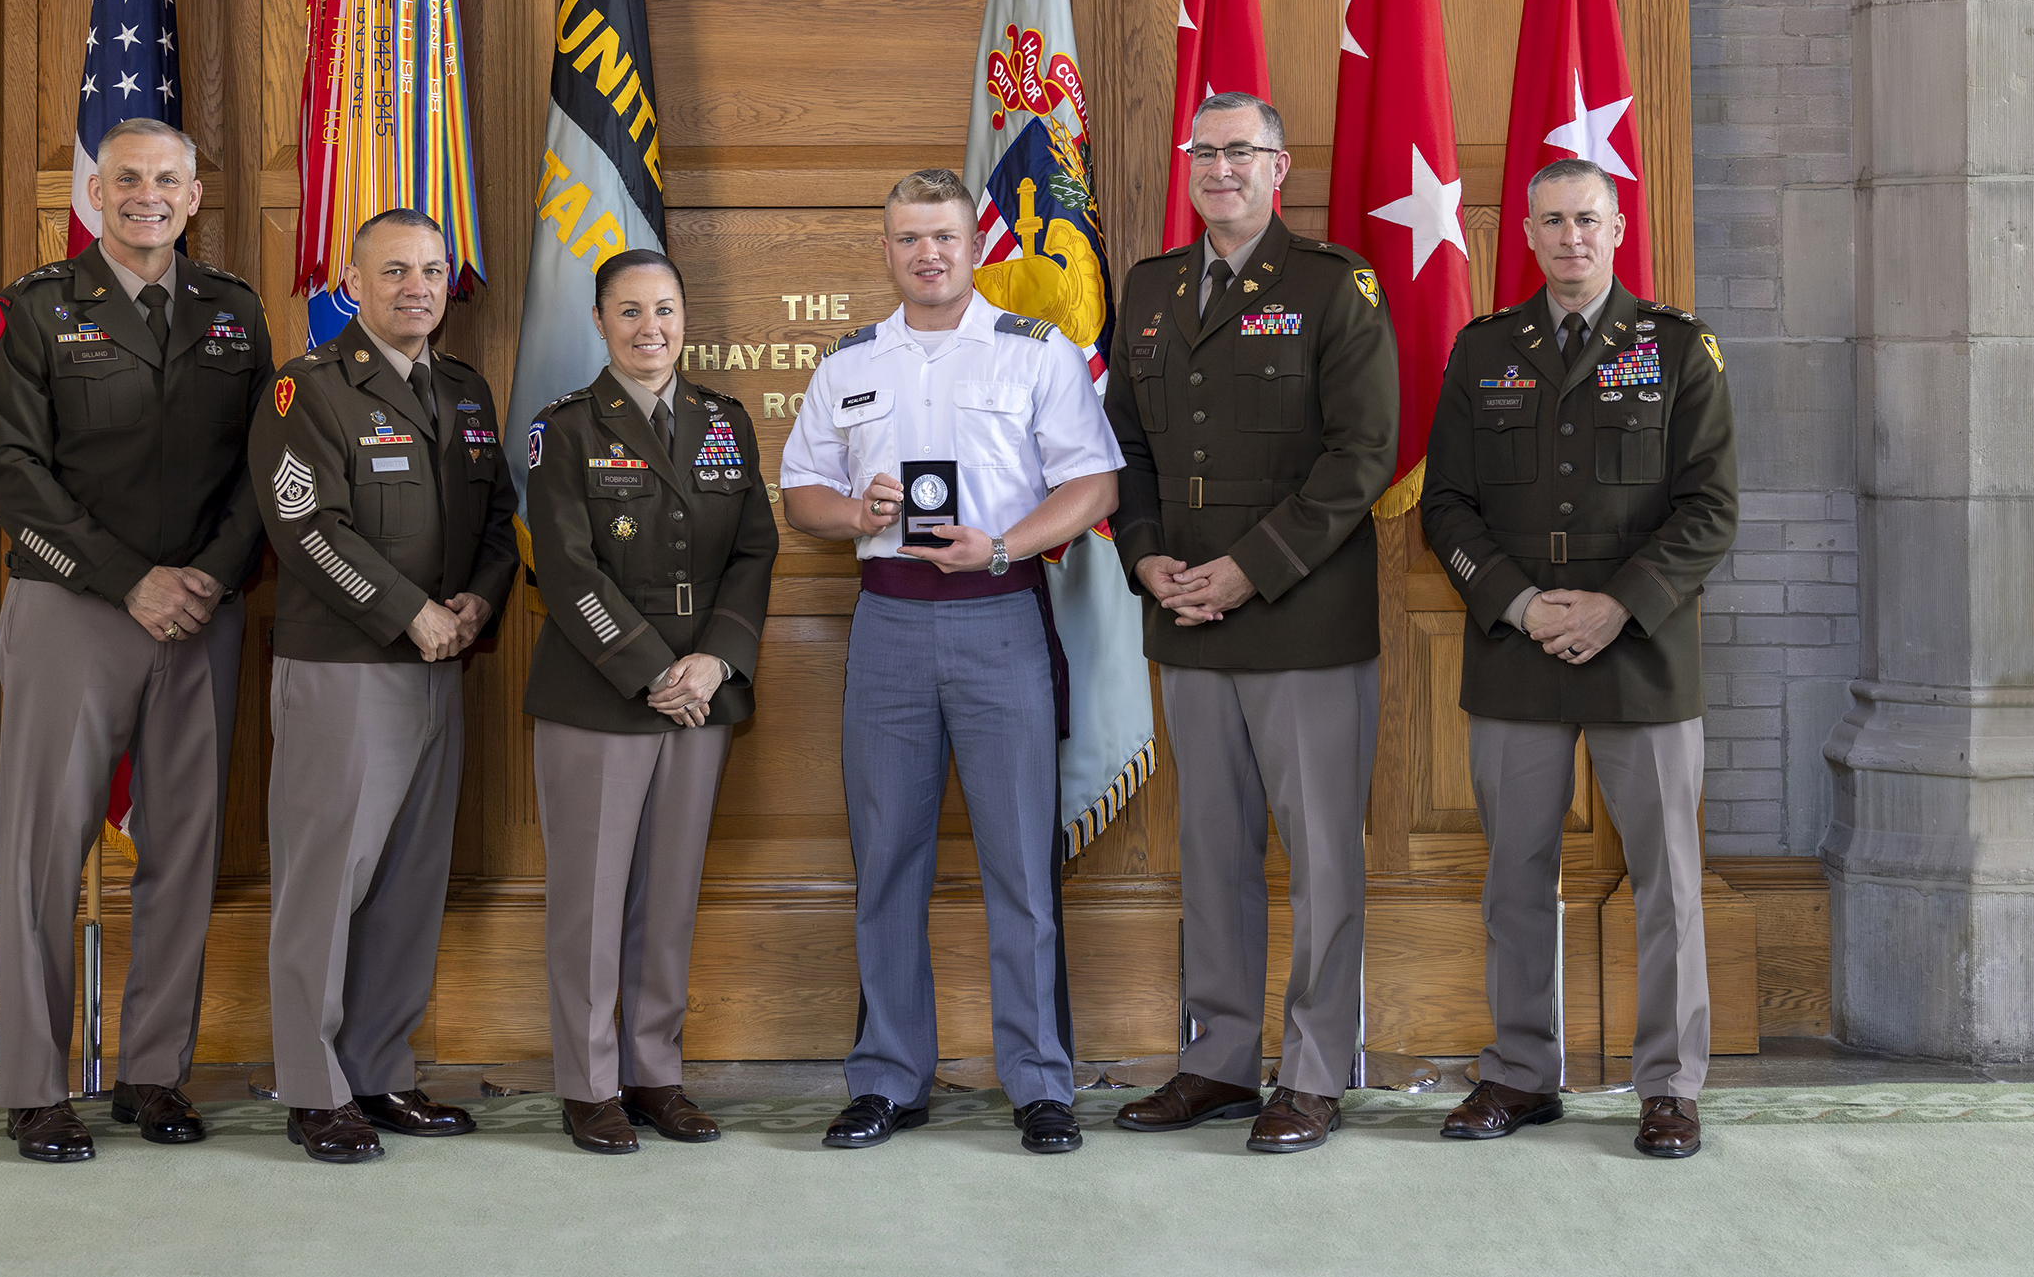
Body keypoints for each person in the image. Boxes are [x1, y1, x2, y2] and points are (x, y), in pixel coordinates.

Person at [781, 168, 1122, 1156]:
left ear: (974, 245)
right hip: (887, 621)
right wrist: (858, 512)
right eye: (908, 238)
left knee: (1020, 861)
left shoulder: (1035, 352)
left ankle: (1041, 1083)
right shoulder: (849, 361)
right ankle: (888, 1077)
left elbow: (1094, 484)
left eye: (943, 236)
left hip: (999, 615)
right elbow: (800, 490)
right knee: (888, 858)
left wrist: (1004, 545)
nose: (927, 253)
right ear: (885, 249)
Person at [1421, 156, 1738, 1160]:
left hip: (1641, 649)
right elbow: (1446, 506)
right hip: (1517, 645)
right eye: (1553, 221)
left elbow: (1710, 510)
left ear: (1617, 227)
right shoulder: (1483, 350)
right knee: (1515, 872)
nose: (1571, 237)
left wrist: (1617, 605)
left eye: (1588, 219)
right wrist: (1519, 603)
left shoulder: (1677, 348)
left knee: (1667, 879)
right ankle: (1521, 1072)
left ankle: (1670, 1085)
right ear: (1525, 233)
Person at [1102, 92, 1399, 1153]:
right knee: (1213, 851)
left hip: (1301, 620)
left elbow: (1362, 456)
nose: (1219, 167)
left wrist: (1248, 570)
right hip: (1186, 613)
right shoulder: (1150, 288)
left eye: (1241, 151)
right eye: (1205, 150)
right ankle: (1220, 1058)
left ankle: (1313, 1072)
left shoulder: (1332, 285)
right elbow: (1125, 443)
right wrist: (1145, 554)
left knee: (1322, 859)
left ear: (1279, 167)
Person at [0, 118, 272, 1163]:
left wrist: (212, 575)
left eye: (168, 179)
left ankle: (153, 1072)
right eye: (128, 177)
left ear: (195, 195)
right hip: (73, 606)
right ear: (95, 193)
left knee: (183, 850)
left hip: (200, 610)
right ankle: (35, 1087)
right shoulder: (32, 307)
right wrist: (128, 579)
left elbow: (263, 468)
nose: (149, 194)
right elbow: (12, 474)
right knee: (43, 851)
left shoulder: (234, 310)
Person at [250, 208, 520, 1164]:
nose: (418, 287)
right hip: (346, 667)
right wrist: (410, 611)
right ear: (353, 284)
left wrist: (479, 601)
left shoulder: (466, 391)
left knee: (409, 879)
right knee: (326, 884)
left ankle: (378, 1069)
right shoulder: (310, 389)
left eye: (433, 270)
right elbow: (306, 527)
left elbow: (498, 522)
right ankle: (312, 1087)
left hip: (441, 667)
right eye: (395, 270)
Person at [518, 249, 779, 1155]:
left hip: (701, 696)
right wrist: (650, 670)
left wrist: (715, 661)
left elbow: (753, 552)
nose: (650, 328)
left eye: (664, 309)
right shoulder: (564, 427)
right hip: (600, 692)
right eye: (628, 311)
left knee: (668, 897)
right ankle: (590, 1085)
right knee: (589, 901)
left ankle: (655, 1073)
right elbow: (564, 566)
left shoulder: (723, 421)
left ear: (684, 315)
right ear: (598, 322)